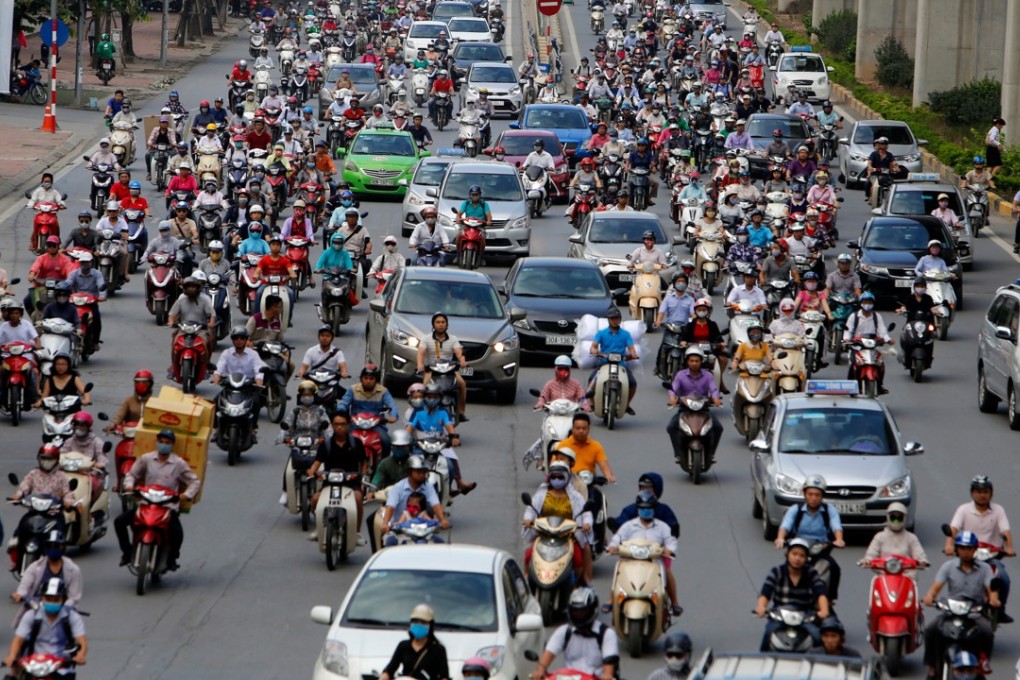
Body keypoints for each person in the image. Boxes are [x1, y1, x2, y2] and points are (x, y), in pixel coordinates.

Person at [115, 429, 200, 569]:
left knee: (177, 533)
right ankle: (127, 552)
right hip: (146, 503)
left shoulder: (178, 463)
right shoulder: (146, 459)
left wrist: (186, 495)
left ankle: (172, 558)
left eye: (167, 443)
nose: (163, 445)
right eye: (161, 442)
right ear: (157, 442)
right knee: (119, 522)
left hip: (168, 506)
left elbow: (194, 481)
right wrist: (129, 486)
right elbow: (131, 474)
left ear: (172, 445)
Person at [922, 531, 997, 677]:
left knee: (987, 631)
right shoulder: (948, 566)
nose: (966, 551)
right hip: (951, 611)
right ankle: (932, 666)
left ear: (975, 549)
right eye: (962, 548)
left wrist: (994, 599)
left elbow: (992, 589)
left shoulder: (985, 568)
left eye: (969, 548)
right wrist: (929, 597)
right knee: (931, 630)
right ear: (957, 549)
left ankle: (983, 663)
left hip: (974, 613)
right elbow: (935, 588)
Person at [945, 475, 1015, 622]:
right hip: (968, 555)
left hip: (991, 557)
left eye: (985, 492)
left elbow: (1005, 531)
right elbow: (954, 529)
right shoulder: (963, 510)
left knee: (1004, 578)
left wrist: (1009, 547)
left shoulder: (998, 510)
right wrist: (949, 545)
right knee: (955, 577)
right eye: (978, 491)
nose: (982, 495)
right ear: (972, 493)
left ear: (991, 493)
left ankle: (1000, 610)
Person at [609, 491, 682, 616]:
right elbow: (618, 537)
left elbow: (671, 541)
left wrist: (669, 550)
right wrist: (612, 546)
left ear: (654, 509)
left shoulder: (662, 527)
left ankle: (675, 603)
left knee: (667, 571)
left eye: (648, 508)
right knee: (619, 570)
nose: (645, 510)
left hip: (654, 561)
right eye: (643, 508)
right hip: (631, 561)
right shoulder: (629, 525)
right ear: (638, 508)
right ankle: (610, 600)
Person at [774, 475, 845, 600]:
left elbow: (836, 526)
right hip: (799, 548)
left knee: (834, 568)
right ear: (804, 494)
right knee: (785, 571)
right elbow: (786, 525)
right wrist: (780, 538)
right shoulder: (795, 509)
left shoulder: (829, 510)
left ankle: (829, 599)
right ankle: (781, 598)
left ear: (822, 496)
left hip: (821, 550)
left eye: (817, 495)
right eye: (810, 494)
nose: (813, 498)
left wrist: (839, 539)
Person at [755, 538, 830, 651]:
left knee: (816, 636)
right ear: (787, 555)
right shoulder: (777, 571)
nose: (797, 558)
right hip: (780, 615)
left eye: (802, 555)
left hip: (805, 615)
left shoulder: (811, 573)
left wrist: (824, 610)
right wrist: (761, 607)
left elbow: (820, 593)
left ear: (806, 558)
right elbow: (766, 592)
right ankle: (763, 659)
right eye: (794, 554)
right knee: (768, 634)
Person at [306, 411, 368, 542]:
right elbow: (317, 462)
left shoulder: (356, 443)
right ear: (332, 426)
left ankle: (356, 532)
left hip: (351, 482)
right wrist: (312, 471)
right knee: (315, 499)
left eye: (343, 424)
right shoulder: (326, 444)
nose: (340, 427)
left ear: (348, 425)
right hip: (330, 482)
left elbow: (364, 463)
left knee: (358, 499)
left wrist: (363, 479)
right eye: (336, 424)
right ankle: (320, 527)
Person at [531, 587, 618, 680]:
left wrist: (606, 676)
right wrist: (540, 671)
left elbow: (608, 671)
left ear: (593, 609)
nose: (579, 615)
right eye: (576, 611)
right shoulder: (564, 632)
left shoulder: (607, 634)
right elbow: (546, 658)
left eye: (583, 611)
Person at [406, 382, 476, 495]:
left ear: (440, 398)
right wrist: (405, 440)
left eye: (435, 397)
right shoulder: (418, 412)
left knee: (450, 466)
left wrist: (454, 437)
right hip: (420, 448)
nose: (432, 399)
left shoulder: (443, 412)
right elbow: (409, 429)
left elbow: (449, 427)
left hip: (439, 447)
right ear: (425, 397)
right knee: (411, 465)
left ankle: (448, 491)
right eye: (429, 396)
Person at [4, 577, 87, 671]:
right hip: (34, 663)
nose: (52, 602)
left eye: (56, 599)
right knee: (12, 675)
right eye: (48, 598)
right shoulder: (31, 615)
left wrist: (81, 655)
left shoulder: (72, 617)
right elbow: (18, 639)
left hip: (62, 665)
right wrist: (11, 656)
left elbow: (81, 640)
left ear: (63, 600)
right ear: (42, 598)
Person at [12, 530, 82, 620]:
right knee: (25, 625)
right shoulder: (34, 567)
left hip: (63, 610)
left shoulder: (73, 569)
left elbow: (74, 597)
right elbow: (24, 586)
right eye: (50, 546)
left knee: (74, 625)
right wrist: (20, 595)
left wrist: (65, 607)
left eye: (56, 546)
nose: (53, 549)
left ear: (63, 547)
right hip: (37, 608)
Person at [666, 345, 723, 455]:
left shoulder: (708, 376)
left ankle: (711, 452)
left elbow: (713, 389)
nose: (694, 363)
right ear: (687, 362)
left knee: (718, 428)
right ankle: (678, 453)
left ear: (701, 362)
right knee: (671, 427)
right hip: (685, 409)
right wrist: (672, 398)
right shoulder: (681, 375)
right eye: (691, 361)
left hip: (703, 409)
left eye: (697, 361)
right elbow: (673, 388)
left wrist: (716, 398)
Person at [416, 313, 469, 421]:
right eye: (438, 322)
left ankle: (461, 412)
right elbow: (421, 353)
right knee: (424, 387)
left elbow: (459, 353)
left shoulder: (453, 339)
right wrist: (420, 365)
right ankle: (423, 410)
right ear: (433, 325)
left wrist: (462, 362)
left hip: (449, 370)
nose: (440, 325)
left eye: (443, 322)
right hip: (431, 370)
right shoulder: (426, 339)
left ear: (447, 324)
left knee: (462, 384)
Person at [338, 363, 398, 457]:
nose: (368, 381)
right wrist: (342, 413)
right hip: (355, 424)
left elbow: (392, 405)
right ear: (361, 379)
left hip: (376, 425)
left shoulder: (383, 391)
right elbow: (343, 403)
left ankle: (382, 464)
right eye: (365, 378)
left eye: (371, 379)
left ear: (376, 380)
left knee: (386, 441)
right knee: (341, 440)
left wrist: (393, 416)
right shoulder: (353, 389)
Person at [378, 604, 450, 680]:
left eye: (423, 622)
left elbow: (444, 676)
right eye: (415, 622)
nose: (419, 625)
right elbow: (389, 670)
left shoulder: (438, 649)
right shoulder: (403, 645)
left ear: (430, 625)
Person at [588, 308, 638, 412]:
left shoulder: (626, 334)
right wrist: (596, 352)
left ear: (620, 319)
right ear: (608, 320)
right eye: (612, 318)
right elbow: (593, 346)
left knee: (632, 383)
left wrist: (633, 355)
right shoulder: (601, 333)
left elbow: (631, 348)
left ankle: (627, 405)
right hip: (604, 363)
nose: (614, 320)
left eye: (616, 318)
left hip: (621, 364)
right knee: (591, 379)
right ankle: (592, 404)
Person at [843, 291, 892, 393]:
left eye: (870, 302)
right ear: (861, 303)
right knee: (853, 364)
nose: (867, 304)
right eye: (865, 302)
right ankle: (850, 386)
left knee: (880, 363)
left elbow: (882, 331)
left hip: (872, 346)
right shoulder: (854, 316)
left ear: (873, 303)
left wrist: (888, 339)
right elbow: (848, 330)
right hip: (857, 347)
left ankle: (879, 385)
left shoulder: (877, 316)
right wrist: (847, 339)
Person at [680, 298, 730, 390]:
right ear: (696, 311)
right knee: (681, 359)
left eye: (704, 310)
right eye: (699, 310)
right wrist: (684, 342)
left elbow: (718, 337)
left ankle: (719, 379)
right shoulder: (690, 325)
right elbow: (684, 337)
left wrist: (722, 343)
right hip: (693, 349)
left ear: (708, 311)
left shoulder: (712, 324)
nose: (702, 312)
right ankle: (680, 382)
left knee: (724, 359)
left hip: (710, 350)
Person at [862, 502, 929, 568]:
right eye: (893, 517)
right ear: (888, 517)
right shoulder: (879, 537)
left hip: (907, 572)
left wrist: (922, 561)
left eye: (899, 518)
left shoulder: (911, 537)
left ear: (904, 518)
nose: (896, 521)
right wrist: (868, 560)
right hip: (883, 572)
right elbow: (871, 553)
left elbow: (919, 553)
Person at [0, 301, 41, 405]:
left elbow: (36, 339)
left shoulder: (27, 325)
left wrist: (38, 345)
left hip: (25, 355)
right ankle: (1, 397)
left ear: (20, 314)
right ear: (8, 314)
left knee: (32, 371)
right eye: (12, 313)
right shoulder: (3, 326)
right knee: (1, 371)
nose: (14, 315)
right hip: (7, 355)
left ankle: (34, 396)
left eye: (16, 313)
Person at [59, 412, 107, 500]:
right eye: (77, 425)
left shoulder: (96, 442)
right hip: (69, 472)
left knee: (94, 485)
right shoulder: (69, 441)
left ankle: (90, 504)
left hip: (90, 473)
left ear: (88, 427)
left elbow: (102, 456)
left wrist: (99, 464)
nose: (79, 428)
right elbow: (62, 454)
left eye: (82, 425)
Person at [246, 295, 294, 378]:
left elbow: (281, 342)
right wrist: (249, 345)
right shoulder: (255, 319)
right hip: (257, 351)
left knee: (291, 365)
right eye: (279, 307)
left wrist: (286, 356)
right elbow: (245, 338)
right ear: (273, 307)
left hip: (273, 352)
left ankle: (282, 384)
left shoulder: (278, 322)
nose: (280, 310)